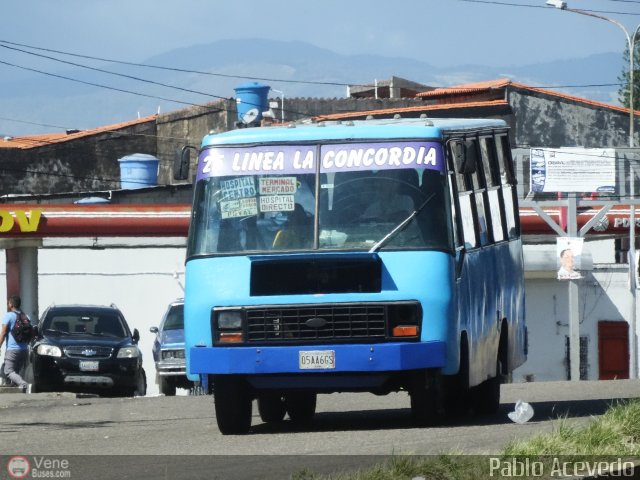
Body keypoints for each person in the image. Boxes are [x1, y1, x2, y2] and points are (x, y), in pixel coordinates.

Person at [0, 295, 31, 393]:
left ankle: (24, 385)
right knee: (16, 371)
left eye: (9, 302)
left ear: (11, 305)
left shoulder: (9, 316)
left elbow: (4, 332)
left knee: (8, 371)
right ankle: (17, 392)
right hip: (24, 349)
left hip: (13, 349)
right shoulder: (26, 316)